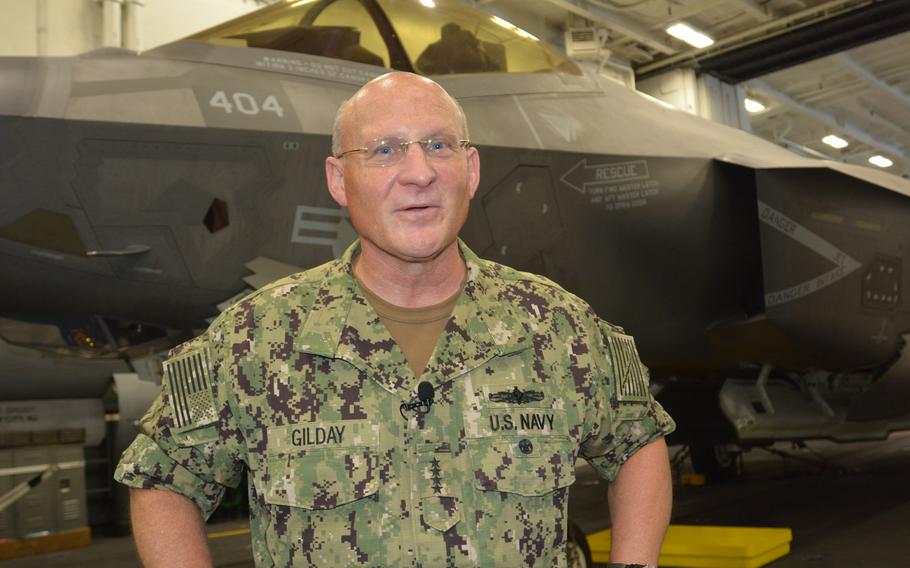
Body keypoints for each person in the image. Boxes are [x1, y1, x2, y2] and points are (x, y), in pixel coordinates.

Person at [115, 71, 675, 568]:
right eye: (384, 150)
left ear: (471, 168)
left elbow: (638, 443)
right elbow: (163, 479)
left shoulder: (557, 327)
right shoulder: (255, 339)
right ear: (338, 180)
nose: (418, 173)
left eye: (438, 145)